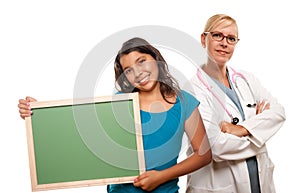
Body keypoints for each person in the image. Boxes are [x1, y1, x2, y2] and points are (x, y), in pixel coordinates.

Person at [18, 37, 212, 193]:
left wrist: (161, 177)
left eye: (142, 61)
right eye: (128, 70)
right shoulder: (120, 102)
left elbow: (203, 155)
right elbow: (76, 131)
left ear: (156, 59)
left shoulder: (184, 101)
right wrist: (38, 114)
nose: (138, 72)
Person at [185, 14, 286, 193]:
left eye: (231, 39)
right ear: (203, 39)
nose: (224, 43)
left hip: (259, 182)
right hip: (218, 186)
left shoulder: (246, 79)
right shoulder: (192, 90)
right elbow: (215, 147)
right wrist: (261, 134)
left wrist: (242, 130)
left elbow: (278, 113)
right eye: (217, 35)